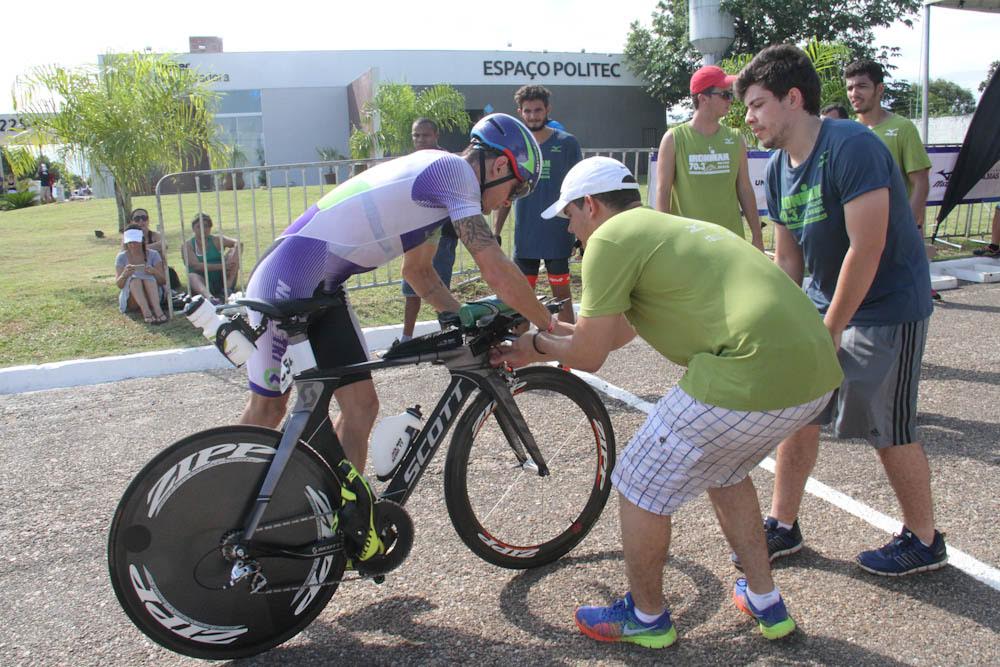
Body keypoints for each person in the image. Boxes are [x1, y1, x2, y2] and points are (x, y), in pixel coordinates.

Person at [495, 157, 842, 648]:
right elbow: (612, 334)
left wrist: (533, 345)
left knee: (637, 482)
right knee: (725, 472)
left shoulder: (609, 239)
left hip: (747, 371)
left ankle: (647, 616)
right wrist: (544, 337)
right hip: (815, 375)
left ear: (591, 206)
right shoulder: (665, 228)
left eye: (570, 216)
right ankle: (765, 600)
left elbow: (589, 355)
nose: (570, 231)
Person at [239, 113, 557, 474]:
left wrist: (461, 315)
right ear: (500, 165)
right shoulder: (454, 172)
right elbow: (494, 267)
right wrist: (548, 324)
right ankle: (215, 494)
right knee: (268, 409)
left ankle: (339, 507)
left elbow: (418, 272)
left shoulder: (442, 189)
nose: (508, 202)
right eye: (517, 189)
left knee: (361, 408)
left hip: (323, 290)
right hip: (285, 279)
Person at [736, 44, 947, 577]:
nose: (749, 118)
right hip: (823, 300)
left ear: (793, 98)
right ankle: (784, 525)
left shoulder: (851, 145)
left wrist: (829, 331)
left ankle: (925, 539)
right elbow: (789, 259)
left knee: (887, 424)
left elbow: (867, 247)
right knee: (800, 411)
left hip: (887, 305)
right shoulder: (778, 168)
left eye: (757, 105)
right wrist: (779, 325)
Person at [493, 85, 582, 324]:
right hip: (526, 237)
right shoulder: (515, 148)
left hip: (558, 235)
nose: (533, 116)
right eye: (528, 111)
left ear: (547, 110)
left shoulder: (567, 143)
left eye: (538, 110)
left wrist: (583, 232)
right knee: (522, 301)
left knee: (562, 297)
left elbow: (579, 190)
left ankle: (569, 347)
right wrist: (496, 232)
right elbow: (507, 194)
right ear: (520, 112)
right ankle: (520, 347)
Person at [656, 66, 764, 250]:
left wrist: (757, 235)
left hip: (730, 242)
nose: (730, 100)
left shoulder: (735, 138)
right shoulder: (674, 138)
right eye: (725, 95)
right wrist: (665, 239)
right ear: (703, 98)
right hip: (689, 244)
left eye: (731, 94)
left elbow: (745, 188)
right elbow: (663, 191)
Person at [845, 60, 931, 231]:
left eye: (862, 86)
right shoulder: (847, 132)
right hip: (860, 232)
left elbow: (920, 182)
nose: (854, 93)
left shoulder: (903, 128)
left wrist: (907, 227)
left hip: (896, 231)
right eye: (850, 88)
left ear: (880, 89)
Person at [398, 118, 459, 342]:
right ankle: (406, 339)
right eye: (416, 135)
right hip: (415, 234)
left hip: (443, 235)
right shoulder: (409, 163)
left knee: (439, 288)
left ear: (436, 136)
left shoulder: (447, 162)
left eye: (425, 135)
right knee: (411, 290)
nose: (420, 139)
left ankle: (450, 337)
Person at [181, 212, 242, 303]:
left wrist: (232, 259)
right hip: (202, 282)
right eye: (199, 227)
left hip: (222, 278)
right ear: (193, 228)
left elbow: (238, 244)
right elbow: (196, 266)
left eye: (206, 226)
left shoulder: (216, 239)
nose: (203, 229)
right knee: (192, 276)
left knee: (235, 251)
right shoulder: (188, 245)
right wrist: (223, 266)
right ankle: (211, 299)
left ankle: (226, 290)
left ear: (210, 228)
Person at [115, 224, 168, 324]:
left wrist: (154, 272)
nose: (133, 245)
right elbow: (119, 285)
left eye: (135, 241)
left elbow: (163, 281)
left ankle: (157, 310)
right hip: (132, 298)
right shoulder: (121, 257)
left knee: (148, 279)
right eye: (130, 242)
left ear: (142, 240)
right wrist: (124, 275)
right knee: (135, 280)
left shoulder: (153, 254)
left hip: (153, 293)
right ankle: (146, 312)